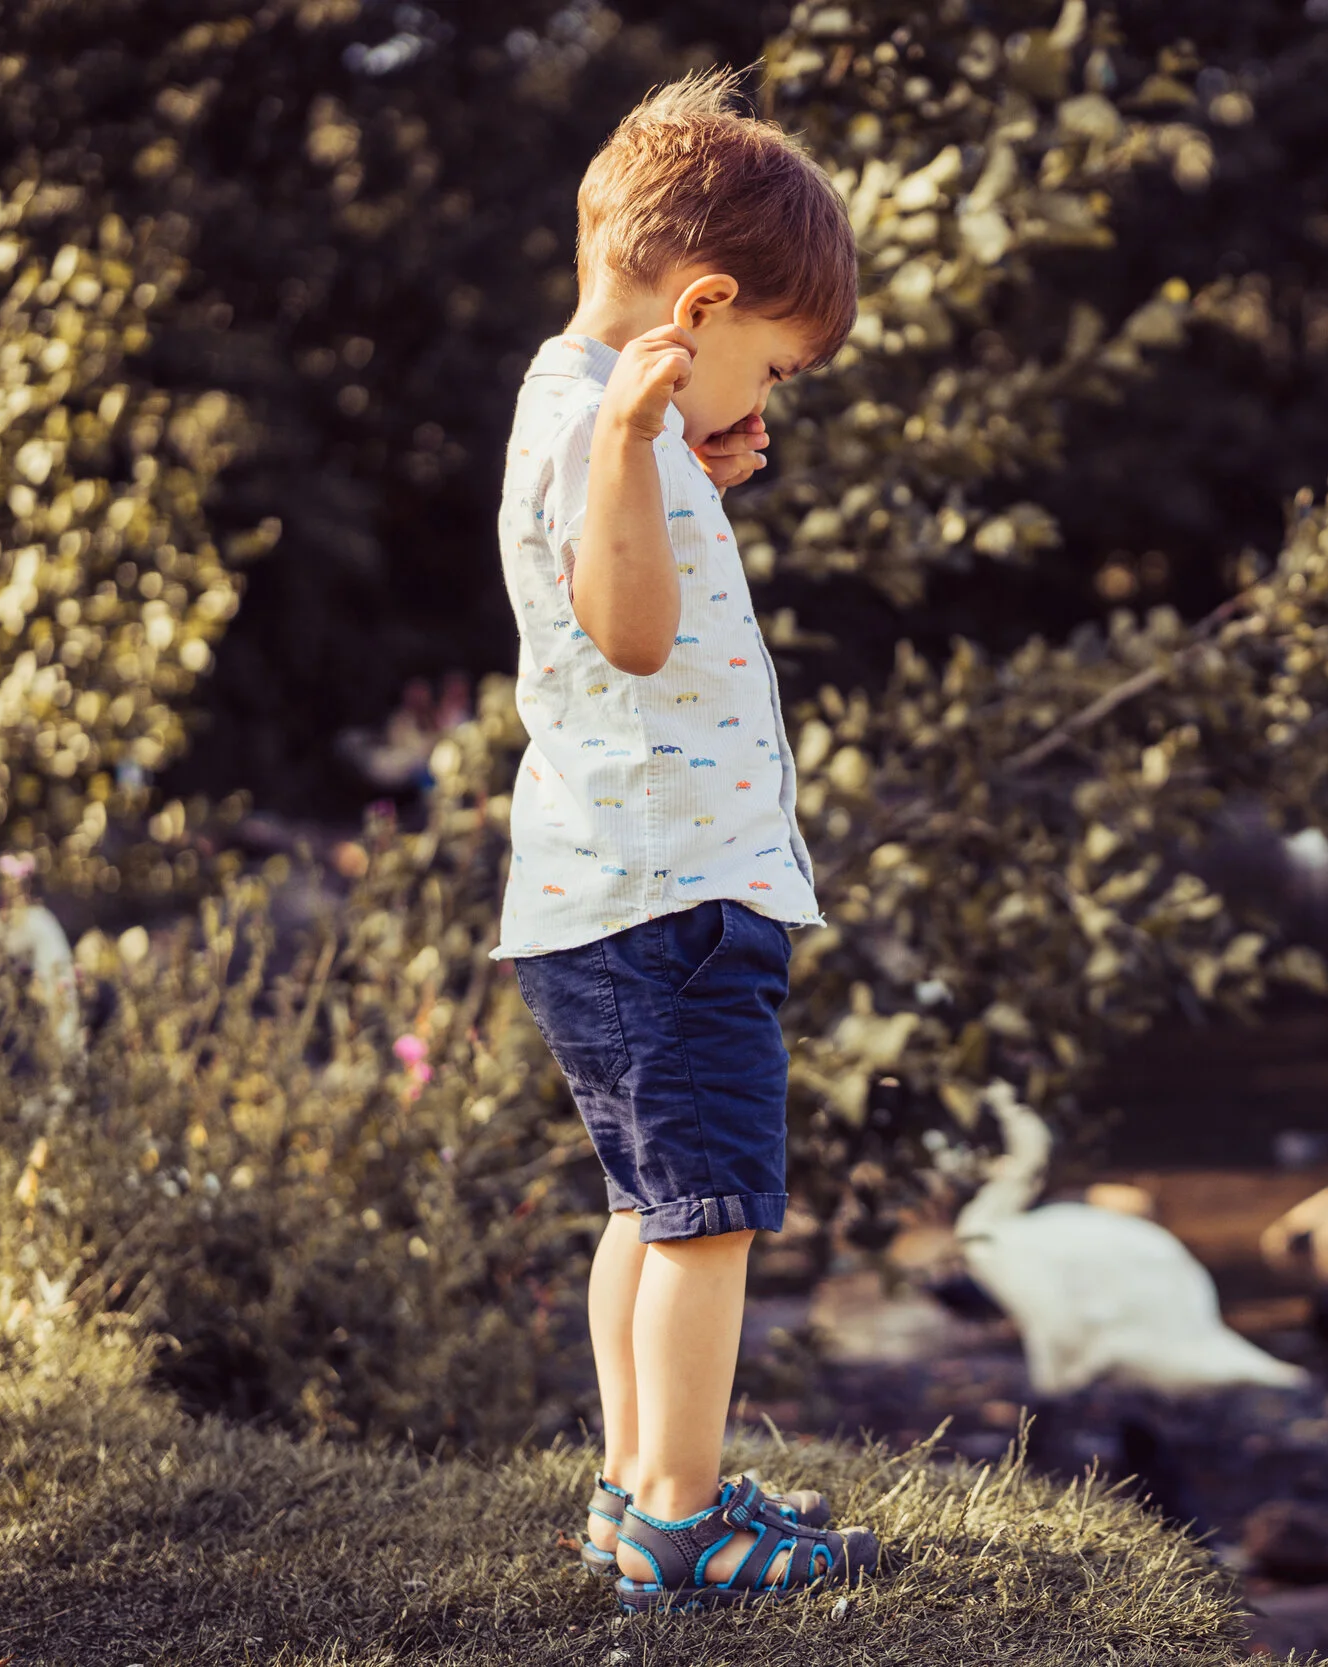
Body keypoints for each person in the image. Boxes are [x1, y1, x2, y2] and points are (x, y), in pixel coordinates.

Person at [487, 66, 876, 1613]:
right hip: (674, 901)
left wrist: (678, 472)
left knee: (651, 1208)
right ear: (700, 305)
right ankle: (683, 1517)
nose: (760, 408)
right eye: (766, 368)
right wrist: (651, 455)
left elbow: (616, 591)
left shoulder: (573, 405)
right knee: (711, 1214)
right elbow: (633, 636)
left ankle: (633, 1486)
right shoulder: (613, 429)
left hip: (599, 893)